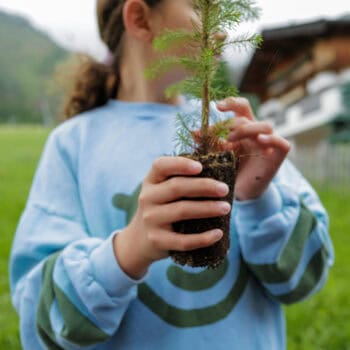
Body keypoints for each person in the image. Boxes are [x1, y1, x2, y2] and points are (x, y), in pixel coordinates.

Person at [10, 0, 334, 349]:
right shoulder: (73, 144)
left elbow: (303, 279)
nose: (218, 28)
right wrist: (127, 252)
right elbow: (40, 324)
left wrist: (259, 197)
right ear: (139, 17)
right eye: (198, 7)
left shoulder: (233, 130)